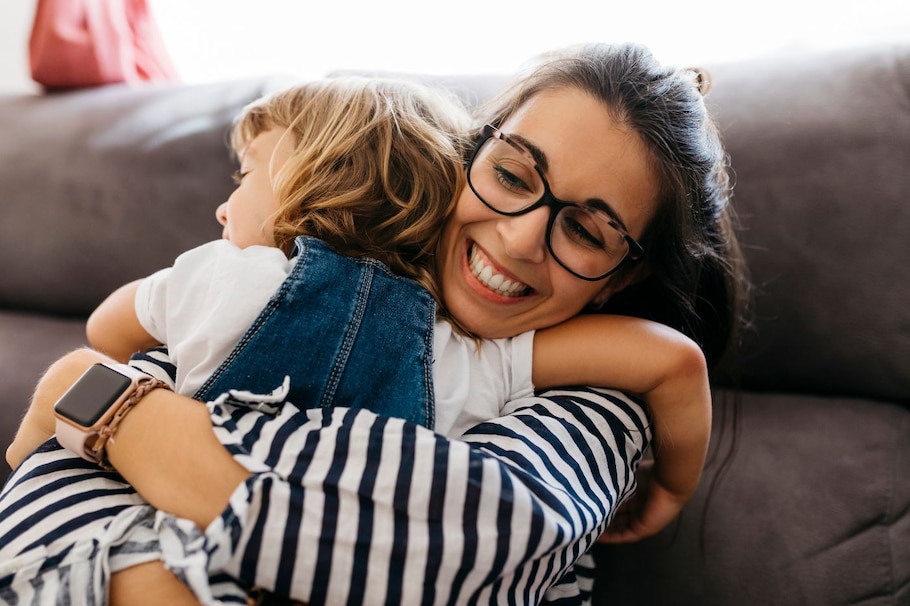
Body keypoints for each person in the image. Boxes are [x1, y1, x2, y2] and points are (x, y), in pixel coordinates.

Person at [1, 42, 746, 605]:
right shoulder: (263, 286)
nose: (520, 239)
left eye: (587, 231)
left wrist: (105, 408)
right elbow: (39, 505)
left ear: (625, 277)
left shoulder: (595, 403)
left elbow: (456, 547)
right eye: (512, 176)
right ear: (462, 157)